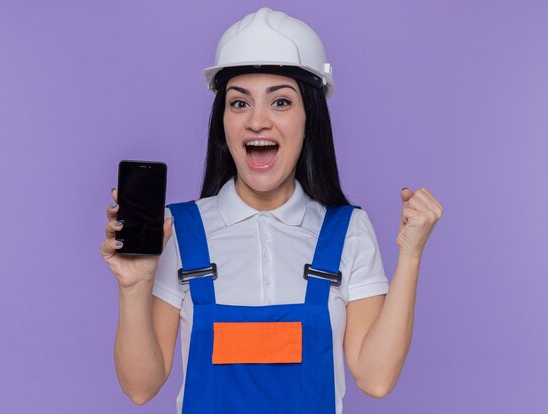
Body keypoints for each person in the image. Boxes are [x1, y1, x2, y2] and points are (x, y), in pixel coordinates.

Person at [101, 7, 443, 414]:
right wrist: (134, 287)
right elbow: (140, 388)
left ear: (308, 119)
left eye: (280, 101)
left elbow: (376, 377)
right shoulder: (178, 230)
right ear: (223, 123)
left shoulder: (346, 230)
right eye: (239, 103)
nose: (258, 121)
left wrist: (411, 254)